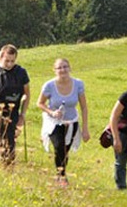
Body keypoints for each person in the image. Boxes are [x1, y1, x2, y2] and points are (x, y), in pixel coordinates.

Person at [37, 58, 90, 187]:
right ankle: (61, 177)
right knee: (59, 146)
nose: (63, 70)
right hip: (54, 121)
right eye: (59, 68)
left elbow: (83, 107)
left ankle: (61, 173)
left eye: (65, 67)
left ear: (70, 68)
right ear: (55, 70)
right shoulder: (49, 86)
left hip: (71, 121)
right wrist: (51, 112)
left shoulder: (78, 84)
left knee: (65, 150)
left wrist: (85, 129)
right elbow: (40, 103)